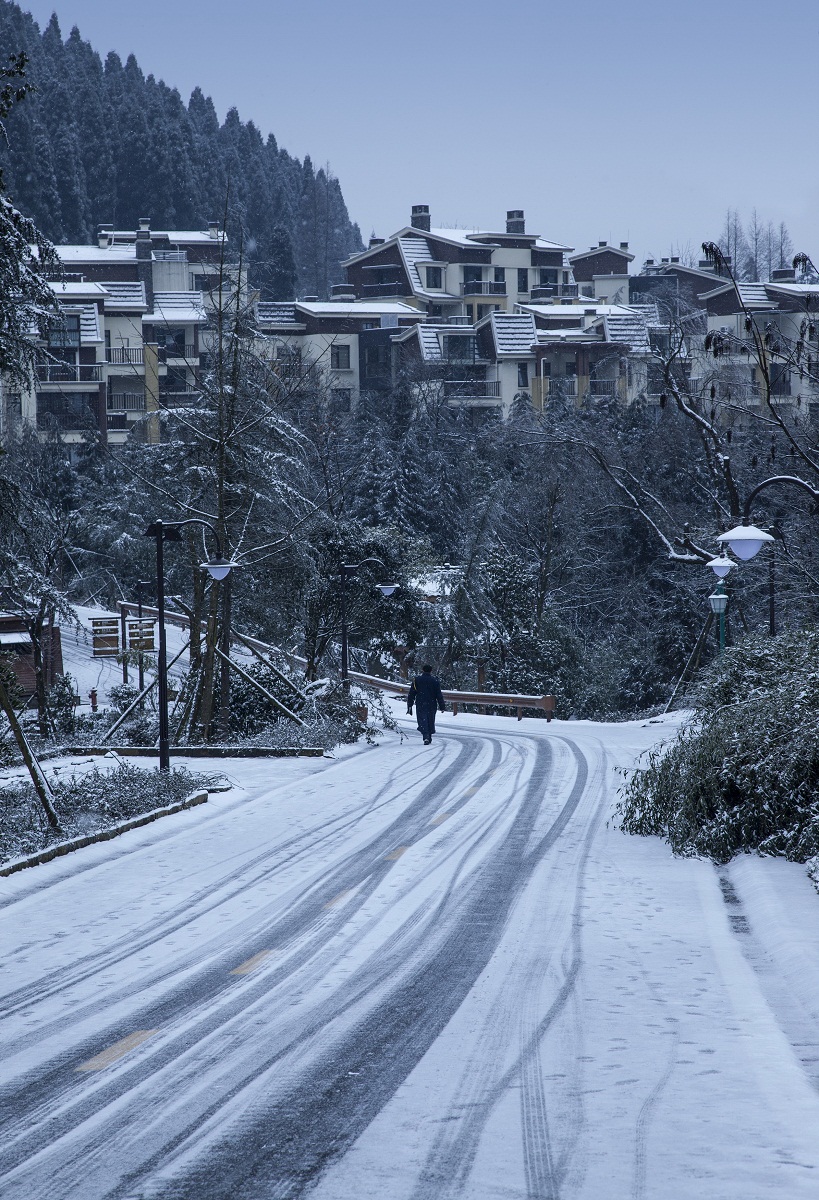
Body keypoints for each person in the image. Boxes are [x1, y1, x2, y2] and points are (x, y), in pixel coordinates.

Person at [407, 663, 445, 745]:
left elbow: (412, 693)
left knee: (422, 719)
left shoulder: (417, 680)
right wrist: (442, 706)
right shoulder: (435, 681)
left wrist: (410, 704)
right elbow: (439, 694)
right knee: (430, 719)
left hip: (420, 703)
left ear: (423, 670)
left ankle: (426, 736)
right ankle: (429, 735)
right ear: (431, 671)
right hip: (432, 703)